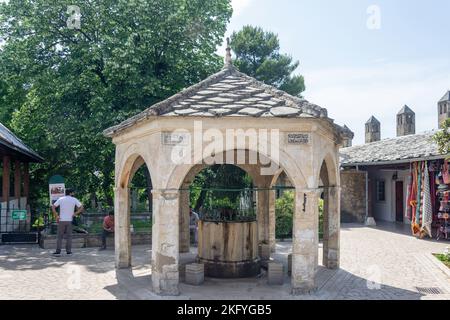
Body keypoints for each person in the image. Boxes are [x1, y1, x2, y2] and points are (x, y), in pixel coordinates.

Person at [51, 188, 84, 256]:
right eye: (73, 192)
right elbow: (81, 207)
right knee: (69, 236)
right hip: (69, 220)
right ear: (71, 193)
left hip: (61, 220)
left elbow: (53, 207)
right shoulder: (74, 199)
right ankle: (68, 251)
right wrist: (75, 213)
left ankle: (58, 251)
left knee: (60, 236)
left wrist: (56, 215)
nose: (73, 193)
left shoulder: (61, 199)